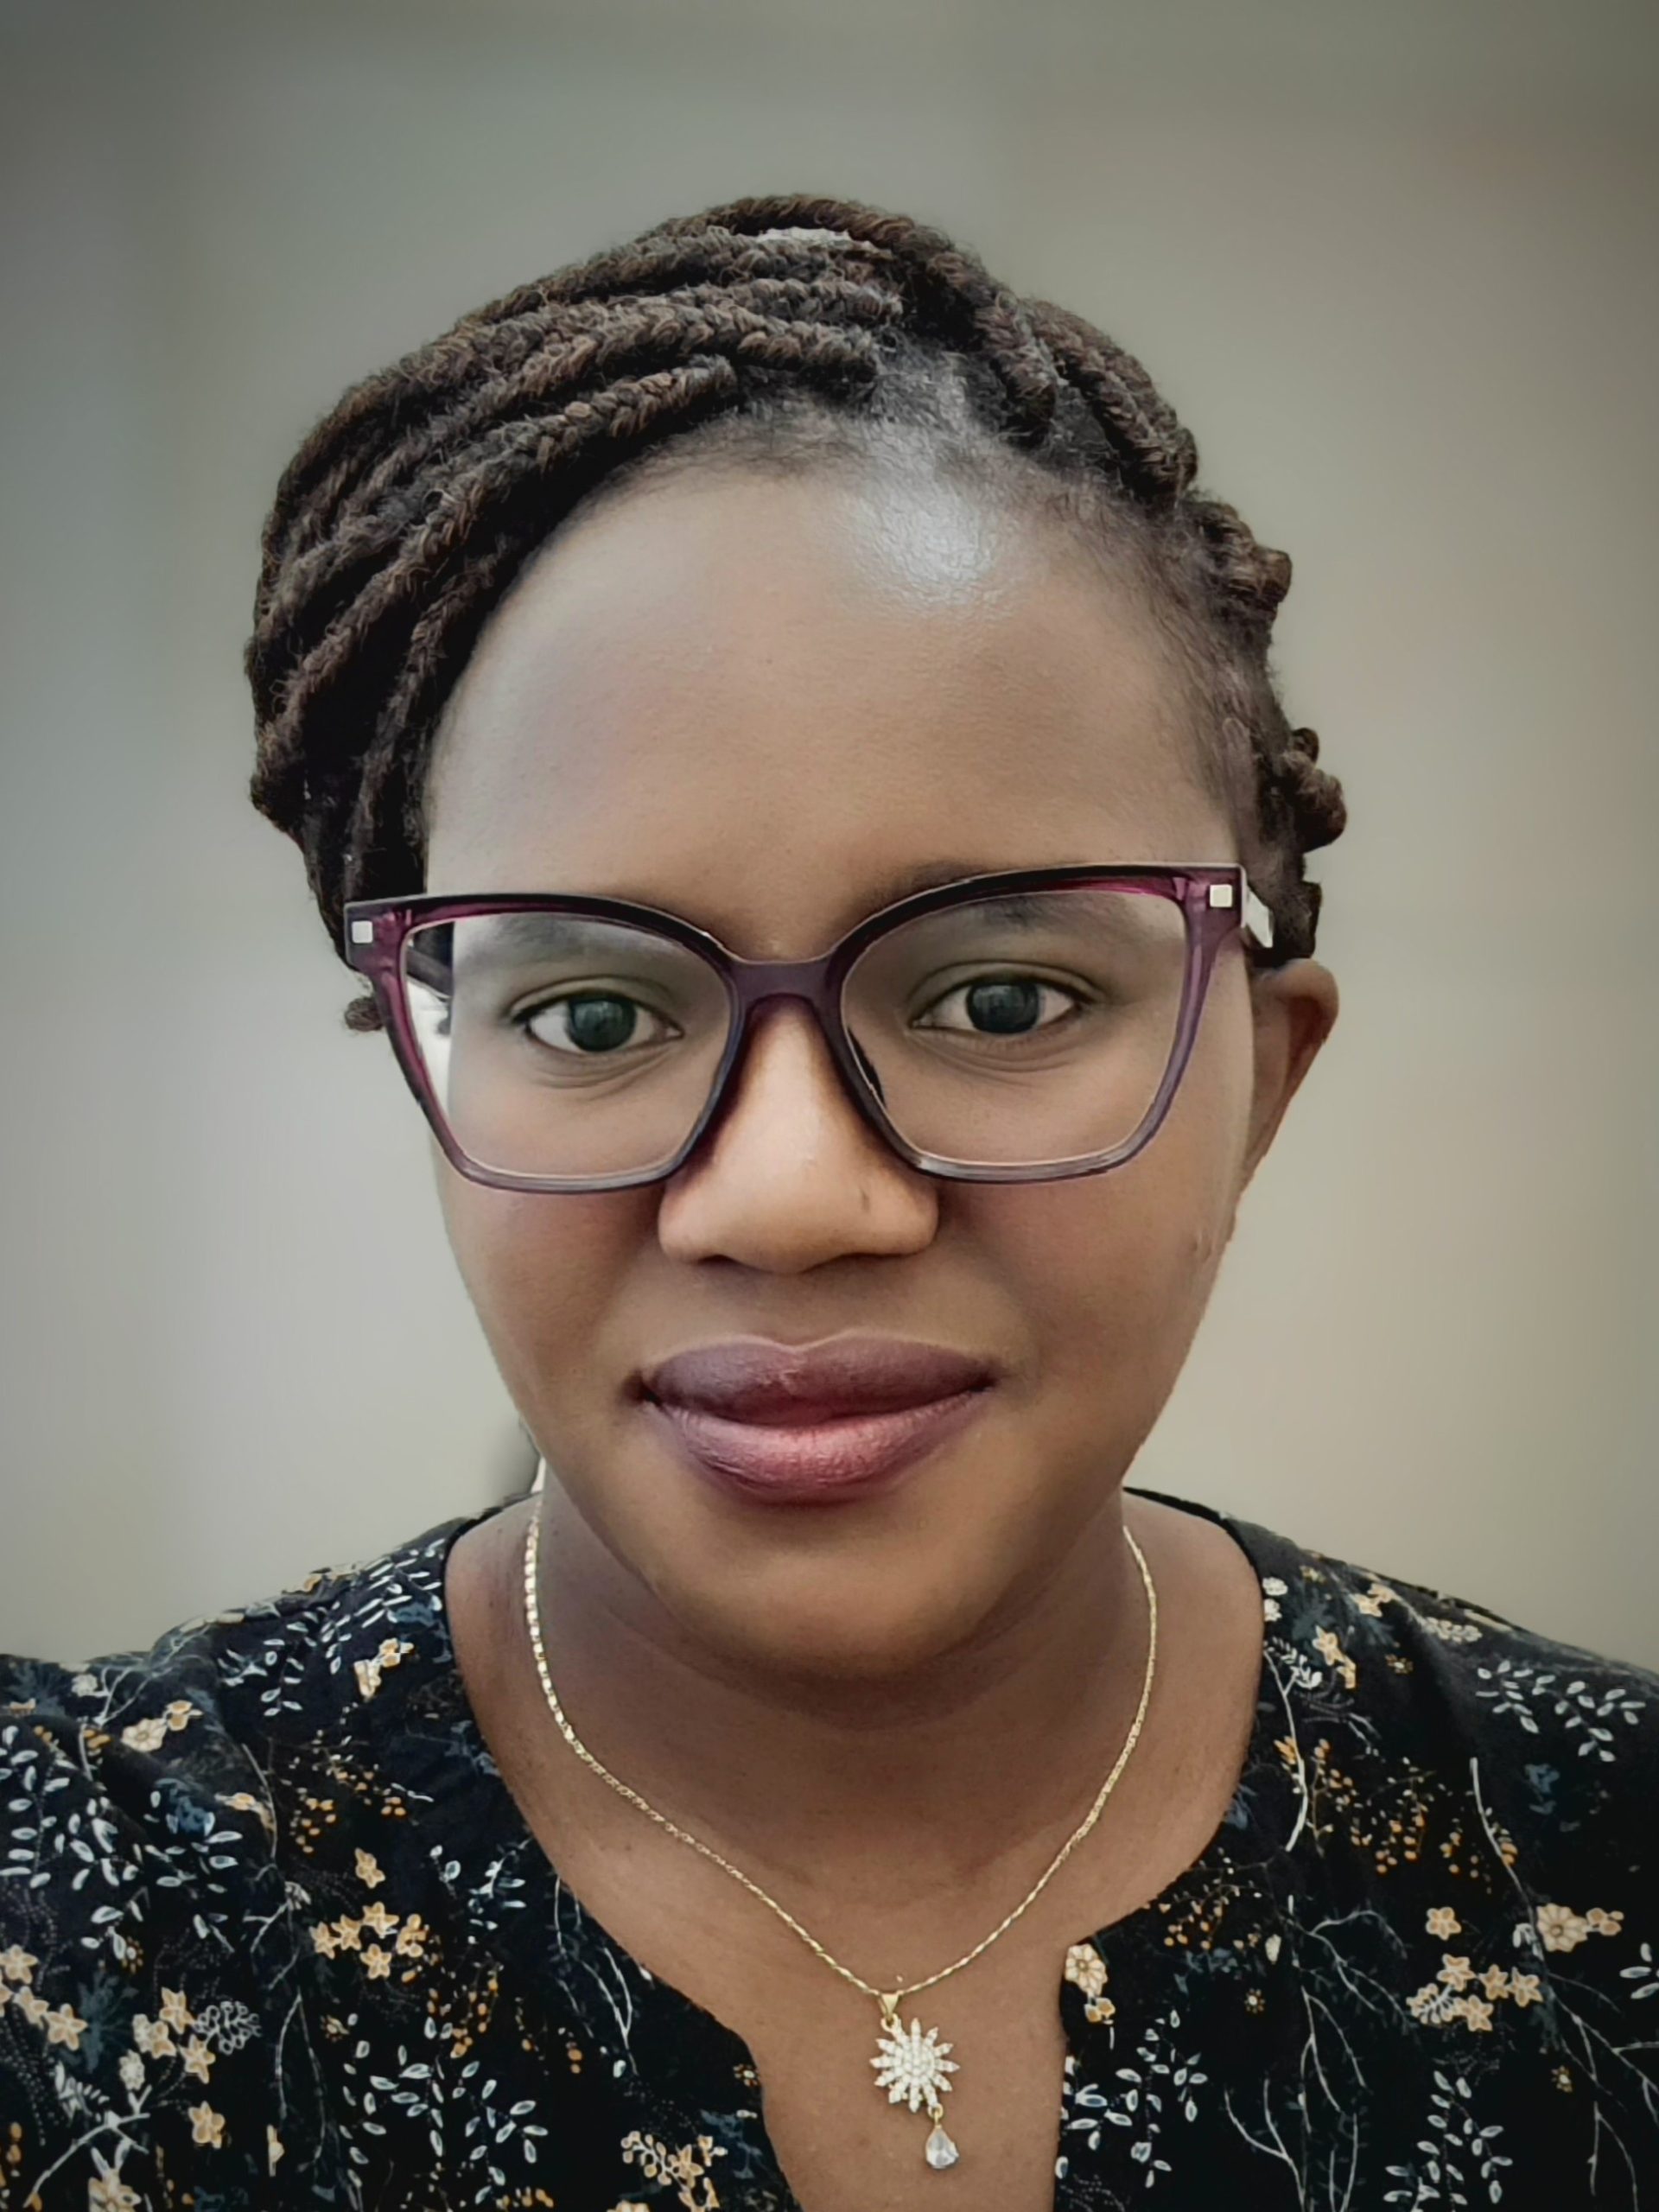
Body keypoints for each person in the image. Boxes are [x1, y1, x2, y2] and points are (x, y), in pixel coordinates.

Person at [1, 193, 1654, 2212]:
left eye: (1001, 997)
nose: (789, 1197)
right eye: (596, 1009)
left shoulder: (1604, 1863)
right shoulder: (75, 1917)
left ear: (1261, 1080)